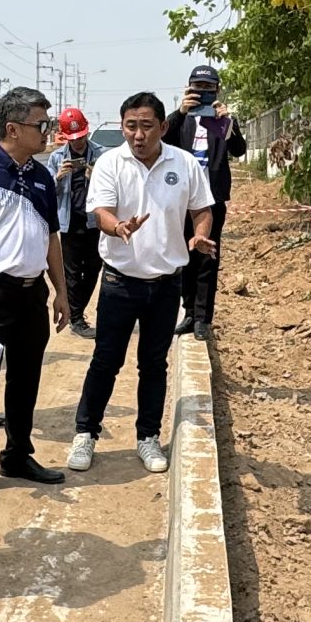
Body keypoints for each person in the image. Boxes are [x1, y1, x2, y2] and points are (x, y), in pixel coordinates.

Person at [67, 90, 217, 476]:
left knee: (154, 364)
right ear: (122, 127)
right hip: (119, 282)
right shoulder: (110, 163)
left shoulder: (182, 163)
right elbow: (99, 210)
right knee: (106, 361)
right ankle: (86, 433)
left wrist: (199, 234)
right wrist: (117, 227)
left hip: (166, 285)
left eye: (146, 126)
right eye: (130, 126)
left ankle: (147, 437)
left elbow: (202, 207)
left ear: (163, 127)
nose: (138, 135)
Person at [0, 87, 70, 502]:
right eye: (42, 124)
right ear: (14, 128)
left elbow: (52, 237)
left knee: (26, 378)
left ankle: (18, 454)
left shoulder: (41, 176)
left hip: (30, 295)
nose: (48, 131)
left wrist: (61, 291)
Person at [164, 62, 247, 342]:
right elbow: (162, 139)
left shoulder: (221, 121)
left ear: (217, 90)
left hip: (211, 199)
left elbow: (239, 150)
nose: (202, 93)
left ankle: (203, 318)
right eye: (197, 88)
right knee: (184, 256)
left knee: (207, 258)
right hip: (181, 199)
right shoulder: (182, 120)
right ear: (188, 88)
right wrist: (180, 111)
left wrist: (228, 122)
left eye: (208, 88)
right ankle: (188, 312)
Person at [50, 105, 99, 337]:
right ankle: (77, 318)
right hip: (69, 222)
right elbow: (48, 193)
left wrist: (95, 177)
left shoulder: (100, 154)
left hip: (93, 222)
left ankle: (77, 312)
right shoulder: (56, 157)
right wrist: (58, 178)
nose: (77, 143)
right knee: (71, 273)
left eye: (80, 137)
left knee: (92, 270)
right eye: (72, 138)